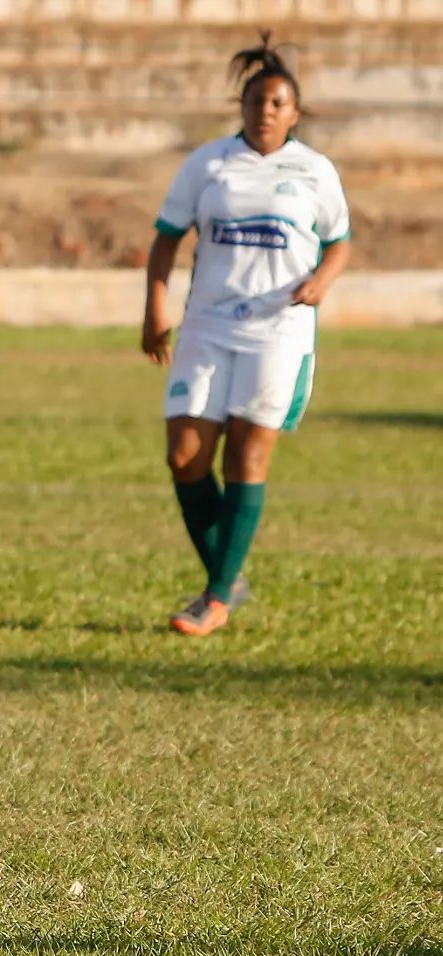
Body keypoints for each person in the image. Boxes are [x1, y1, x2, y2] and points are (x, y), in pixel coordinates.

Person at [142, 33, 351, 637]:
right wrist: (156, 307)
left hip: (277, 331)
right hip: (207, 325)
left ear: (295, 112)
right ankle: (226, 577)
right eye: (257, 100)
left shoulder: (314, 171)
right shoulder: (208, 164)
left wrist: (322, 281)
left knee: (246, 455)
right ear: (243, 105)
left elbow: (340, 241)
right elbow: (166, 237)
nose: (266, 110)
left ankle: (213, 597)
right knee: (184, 454)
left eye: (278, 102)